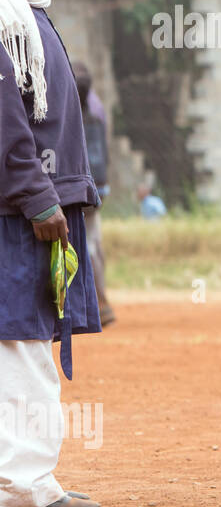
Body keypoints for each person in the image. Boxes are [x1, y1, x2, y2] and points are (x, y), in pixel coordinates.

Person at [0, 0, 103, 507]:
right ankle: (26, 484)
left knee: (17, 341)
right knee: (25, 342)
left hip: (32, 204)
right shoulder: (5, 16)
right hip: (20, 213)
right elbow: (6, 122)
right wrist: (38, 197)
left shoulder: (25, 7)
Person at [72, 62, 115, 326]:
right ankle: (102, 298)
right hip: (101, 184)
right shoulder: (97, 111)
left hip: (83, 186)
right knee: (94, 242)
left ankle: (97, 301)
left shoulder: (70, 113)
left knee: (84, 244)